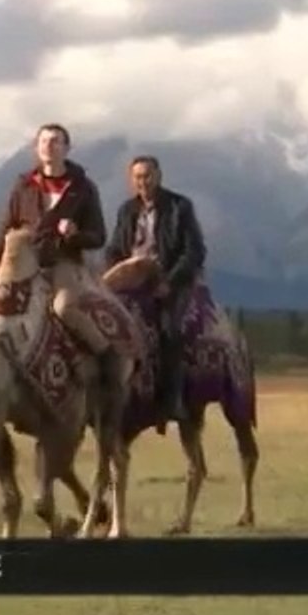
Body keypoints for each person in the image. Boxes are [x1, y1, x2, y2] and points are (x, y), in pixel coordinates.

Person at [0, 123, 122, 388]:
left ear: (67, 148)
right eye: (43, 141)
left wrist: (75, 235)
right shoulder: (24, 185)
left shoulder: (83, 188)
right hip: (22, 263)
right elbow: (6, 225)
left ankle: (106, 357)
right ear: (36, 148)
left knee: (63, 308)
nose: (48, 146)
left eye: (55, 141)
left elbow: (98, 236)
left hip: (63, 262)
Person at [104, 155, 206, 423]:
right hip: (131, 278)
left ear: (158, 176)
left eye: (147, 175)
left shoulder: (179, 207)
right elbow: (115, 247)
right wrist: (113, 271)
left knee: (169, 329)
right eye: (137, 177)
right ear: (131, 180)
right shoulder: (127, 210)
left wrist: (169, 282)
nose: (143, 182)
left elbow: (194, 251)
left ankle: (170, 400)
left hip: (169, 278)